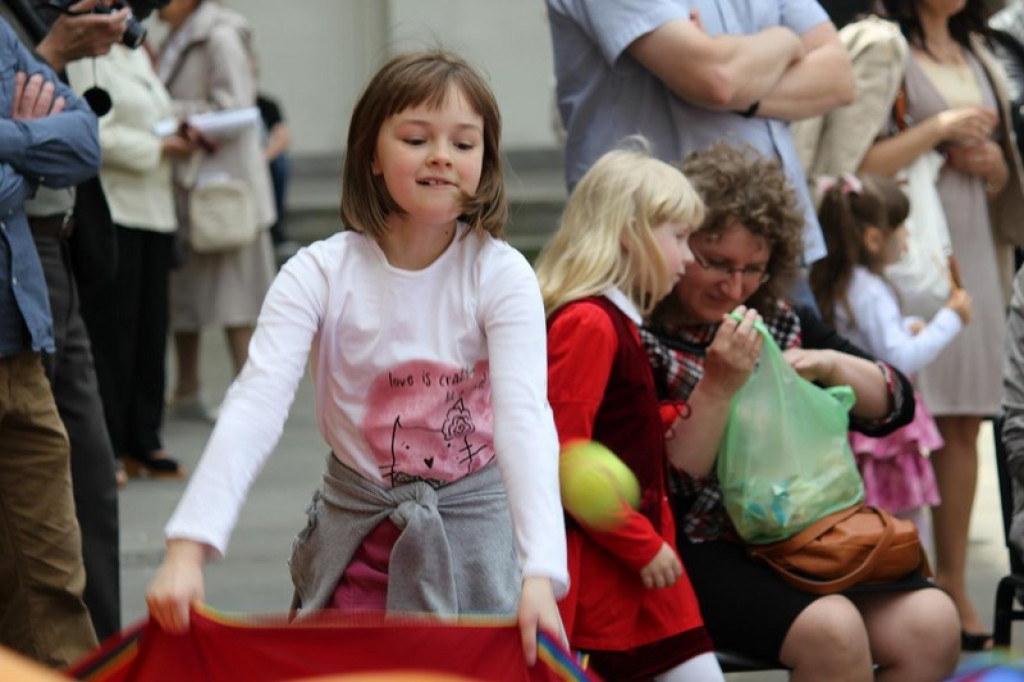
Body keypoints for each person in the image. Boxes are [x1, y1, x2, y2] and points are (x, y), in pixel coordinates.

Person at [144, 49, 568, 665]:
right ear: (371, 153)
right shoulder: (318, 271)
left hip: (477, 540)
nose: (442, 155)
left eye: (465, 142)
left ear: (486, 161)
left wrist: (540, 573)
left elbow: (526, 419)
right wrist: (187, 548)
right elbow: (256, 400)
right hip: (358, 536)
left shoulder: (502, 274)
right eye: (417, 137)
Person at [644, 143, 960, 681]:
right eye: (716, 262)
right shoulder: (643, 334)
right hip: (698, 549)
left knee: (932, 623)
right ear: (676, 243)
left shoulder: (779, 319)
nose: (734, 285)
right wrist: (718, 388)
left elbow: (896, 405)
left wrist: (831, 363)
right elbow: (672, 484)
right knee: (832, 630)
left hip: (802, 537)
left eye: (754, 269)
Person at [858, 0, 1024, 651]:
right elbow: (859, 158)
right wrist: (942, 129)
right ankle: (907, 577)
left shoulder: (980, 46)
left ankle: (953, 581)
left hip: (979, 242)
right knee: (909, 416)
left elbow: (1008, 163)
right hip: (912, 249)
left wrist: (996, 168)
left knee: (966, 420)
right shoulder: (884, 43)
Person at [534, 147, 723, 682]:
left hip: (642, 577)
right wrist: (640, 546)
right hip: (610, 580)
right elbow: (564, 454)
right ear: (628, 231)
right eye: (680, 236)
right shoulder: (590, 322)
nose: (689, 258)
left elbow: (608, 429)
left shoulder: (615, 319)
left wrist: (662, 416)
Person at [544, 0, 856, 311]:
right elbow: (716, 78)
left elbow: (840, 79)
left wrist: (737, 83)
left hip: (769, 257)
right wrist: (785, 40)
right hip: (654, 260)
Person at [0, 0, 128, 643]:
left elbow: (82, 142)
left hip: (31, 290)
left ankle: (98, 657)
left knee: (76, 507)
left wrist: (8, 138)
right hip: (34, 254)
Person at [809, 172, 971, 553]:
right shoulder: (868, 289)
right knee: (902, 524)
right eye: (901, 227)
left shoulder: (842, 284)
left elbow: (870, 339)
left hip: (851, 424)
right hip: (884, 432)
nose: (907, 237)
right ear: (873, 238)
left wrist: (906, 327)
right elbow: (897, 359)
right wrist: (951, 319)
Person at [66, 41, 196, 480]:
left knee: (149, 331)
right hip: (115, 208)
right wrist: (159, 147)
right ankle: (111, 446)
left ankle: (145, 438)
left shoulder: (134, 49)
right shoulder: (85, 54)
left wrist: (180, 131)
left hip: (154, 210)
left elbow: (153, 115)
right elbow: (90, 130)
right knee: (111, 333)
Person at [157, 0, 277, 423]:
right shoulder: (181, 36)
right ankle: (186, 388)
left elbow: (236, 108)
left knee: (235, 298)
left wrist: (168, 114)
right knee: (187, 295)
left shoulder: (219, 35)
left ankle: (252, 396)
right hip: (196, 188)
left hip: (225, 193)